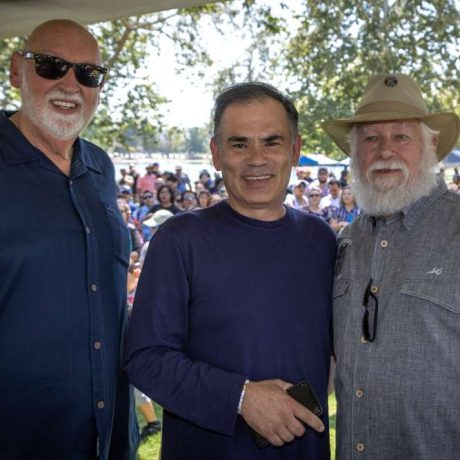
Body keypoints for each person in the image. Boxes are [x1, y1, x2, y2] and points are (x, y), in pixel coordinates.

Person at [125, 82, 337, 460]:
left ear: (295, 150)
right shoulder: (179, 240)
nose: (256, 158)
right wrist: (240, 397)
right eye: (240, 144)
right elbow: (145, 357)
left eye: (272, 142)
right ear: (216, 153)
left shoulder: (320, 239)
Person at [0, 19, 137, 459]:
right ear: (15, 72)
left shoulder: (100, 166)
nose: (69, 84)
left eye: (87, 73)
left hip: (109, 435)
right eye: (51, 66)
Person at [322, 73, 460, 459]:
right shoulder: (348, 240)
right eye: (370, 138)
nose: (384, 151)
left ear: (430, 145)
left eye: (401, 136)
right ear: (354, 152)